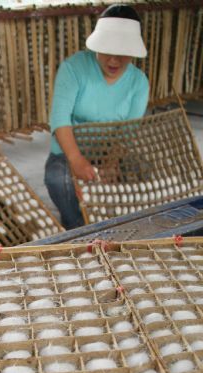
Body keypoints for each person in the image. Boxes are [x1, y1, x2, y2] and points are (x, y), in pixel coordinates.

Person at [44, 4, 149, 230]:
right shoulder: (74, 68)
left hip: (109, 150)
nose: (114, 61)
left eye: (122, 54)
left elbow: (128, 131)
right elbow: (60, 119)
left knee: (141, 170)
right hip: (68, 150)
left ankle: (122, 227)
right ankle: (78, 230)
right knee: (57, 179)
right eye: (108, 51)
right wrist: (76, 160)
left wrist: (112, 161)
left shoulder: (138, 82)